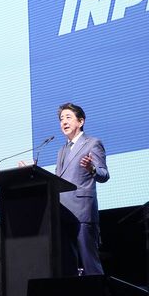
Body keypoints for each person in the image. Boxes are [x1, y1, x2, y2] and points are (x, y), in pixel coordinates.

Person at [56, 103, 109, 276]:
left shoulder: (93, 143)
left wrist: (92, 168)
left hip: (82, 213)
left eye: (68, 117)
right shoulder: (62, 150)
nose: (64, 121)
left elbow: (104, 175)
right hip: (63, 213)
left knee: (90, 263)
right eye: (61, 119)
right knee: (67, 266)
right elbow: (59, 180)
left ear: (80, 121)